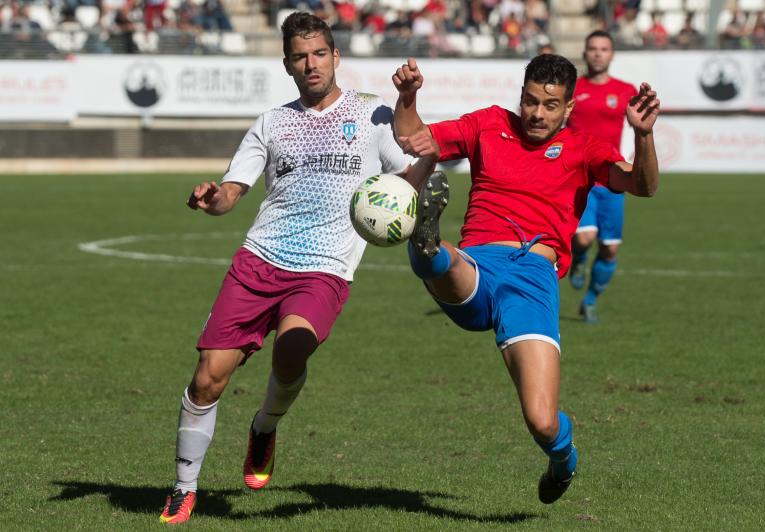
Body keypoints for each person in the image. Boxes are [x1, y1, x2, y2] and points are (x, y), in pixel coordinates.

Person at [158, 12, 436, 524]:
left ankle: (264, 427)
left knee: (291, 352)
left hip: (324, 269)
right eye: (300, 56)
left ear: (336, 57)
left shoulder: (372, 115)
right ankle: (183, 487)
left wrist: (427, 160)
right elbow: (231, 194)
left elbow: (408, 182)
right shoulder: (272, 122)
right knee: (207, 380)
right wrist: (211, 197)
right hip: (260, 260)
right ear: (287, 64)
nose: (311, 64)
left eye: (319, 54)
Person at [392, 54, 659, 504]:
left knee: (542, 421)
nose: (537, 113)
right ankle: (427, 240)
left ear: (568, 108)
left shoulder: (584, 148)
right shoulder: (488, 124)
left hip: (533, 278)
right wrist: (407, 96)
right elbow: (410, 138)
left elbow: (643, 185)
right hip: (477, 264)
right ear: (520, 96)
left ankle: (563, 459)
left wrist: (643, 134)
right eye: (531, 101)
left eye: (550, 105)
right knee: (440, 257)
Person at [567, 30, 638, 323]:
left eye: (604, 49)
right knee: (585, 239)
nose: (598, 53)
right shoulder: (572, 89)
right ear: (585, 53)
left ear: (612, 54)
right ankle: (579, 259)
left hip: (612, 176)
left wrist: (636, 158)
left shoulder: (625, 91)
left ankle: (591, 300)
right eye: (593, 48)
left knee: (609, 248)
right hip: (580, 176)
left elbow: (639, 128)